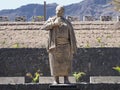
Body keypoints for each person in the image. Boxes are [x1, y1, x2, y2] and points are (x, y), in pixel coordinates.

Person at [41, 5, 77, 84]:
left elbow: (71, 34)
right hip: (55, 46)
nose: (59, 12)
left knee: (66, 63)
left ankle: (66, 79)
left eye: (61, 11)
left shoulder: (67, 22)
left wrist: (72, 46)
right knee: (55, 63)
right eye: (58, 10)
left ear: (63, 12)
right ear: (55, 11)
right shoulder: (51, 20)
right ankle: (56, 80)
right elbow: (44, 27)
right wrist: (54, 24)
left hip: (66, 46)